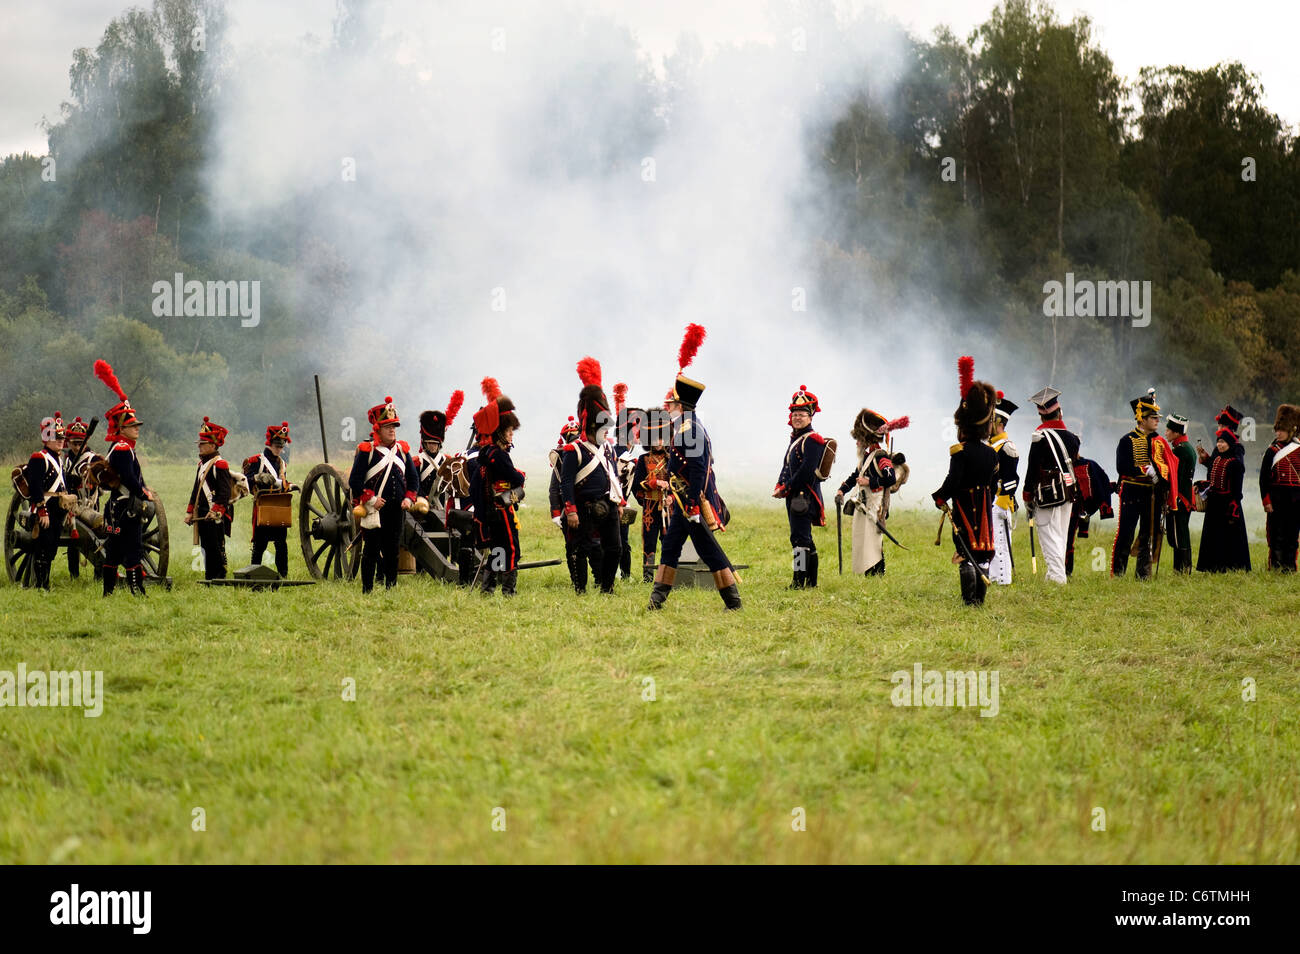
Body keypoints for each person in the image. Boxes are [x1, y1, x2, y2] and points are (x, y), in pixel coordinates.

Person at [648, 324, 742, 611]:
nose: (666, 406)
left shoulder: (691, 430)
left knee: (709, 551)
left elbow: (699, 469)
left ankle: (733, 601)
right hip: (681, 499)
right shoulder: (684, 427)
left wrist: (691, 505)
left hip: (691, 501)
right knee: (671, 547)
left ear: (680, 405)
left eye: (670, 402)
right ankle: (657, 599)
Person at [932, 356, 999, 606]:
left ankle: (969, 600)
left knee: (964, 550)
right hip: (983, 506)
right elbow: (993, 485)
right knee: (982, 552)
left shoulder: (959, 452)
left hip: (964, 505)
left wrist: (939, 496)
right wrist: (987, 498)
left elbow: (954, 480)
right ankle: (979, 600)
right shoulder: (992, 453)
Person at [560, 357, 624, 595]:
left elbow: (613, 475)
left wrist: (620, 502)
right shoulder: (573, 449)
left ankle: (607, 588)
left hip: (608, 504)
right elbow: (566, 483)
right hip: (583, 508)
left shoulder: (607, 448)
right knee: (580, 550)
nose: (606, 431)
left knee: (614, 548)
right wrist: (571, 509)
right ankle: (580, 589)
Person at [94, 359, 154, 596]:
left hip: (118, 508)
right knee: (132, 549)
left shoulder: (123, 447)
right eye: (132, 425)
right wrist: (142, 493)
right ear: (121, 428)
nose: (137, 428)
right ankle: (136, 591)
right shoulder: (121, 448)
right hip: (125, 507)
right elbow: (129, 477)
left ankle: (109, 593)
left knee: (115, 551)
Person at [348, 396, 419, 593]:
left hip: (396, 509)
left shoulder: (402, 451)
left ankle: (391, 587)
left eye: (394, 426)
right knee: (370, 551)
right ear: (377, 428)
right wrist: (371, 499)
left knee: (392, 551)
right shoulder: (367, 451)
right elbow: (355, 481)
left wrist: (408, 498)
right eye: (388, 426)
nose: (392, 429)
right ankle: (368, 589)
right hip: (374, 510)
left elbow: (413, 480)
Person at [834, 409, 909, 576]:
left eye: (859, 439)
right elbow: (855, 476)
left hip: (874, 507)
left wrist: (870, 482)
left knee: (873, 543)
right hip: (863, 506)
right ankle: (867, 574)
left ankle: (876, 573)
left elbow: (890, 479)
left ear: (866, 439)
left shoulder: (880, 457)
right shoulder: (868, 457)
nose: (857, 443)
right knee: (862, 541)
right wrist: (841, 490)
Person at [1111, 389, 1173, 580]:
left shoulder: (1159, 442)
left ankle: (1142, 574)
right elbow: (1123, 467)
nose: (1157, 421)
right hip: (1131, 491)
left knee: (1149, 533)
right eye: (1153, 417)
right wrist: (1144, 471)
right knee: (1126, 533)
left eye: (1157, 417)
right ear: (1142, 419)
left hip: (1152, 494)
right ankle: (1118, 572)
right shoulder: (1127, 440)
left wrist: (1160, 477)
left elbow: (1167, 465)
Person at [471, 377, 525, 595]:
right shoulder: (498, 455)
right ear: (500, 432)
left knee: (498, 550)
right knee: (511, 549)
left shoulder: (489, 454)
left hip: (495, 510)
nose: (512, 435)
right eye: (509, 431)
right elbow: (516, 478)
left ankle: (488, 587)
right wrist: (520, 476)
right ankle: (508, 590)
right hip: (501, 510)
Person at [1023, 385, 1081, 584]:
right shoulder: (1073, 439)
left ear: (1041, 417)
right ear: (1059, 411)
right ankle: (1053, 575)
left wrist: (1027, 495)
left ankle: (1057, 577)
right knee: (1061, 536)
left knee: (1049, 535)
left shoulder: (1039, 438)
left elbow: (1032, 470)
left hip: (1047, 493)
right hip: (1068, 491)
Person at [773, 385, 829, 589]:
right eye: (795, 414)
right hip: (795, 495)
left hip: (804, 496)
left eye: (802, 414)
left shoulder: (812, 439)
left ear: (810, 417)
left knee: (800, 541)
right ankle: (811, 582)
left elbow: (806, 471)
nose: (797, 417)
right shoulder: (797, 438)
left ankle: (799, 582)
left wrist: (785, 488)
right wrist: (781, 484)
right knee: (804, 539)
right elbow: (787, 465)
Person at [21, 412, 70, 590]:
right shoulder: (39, 457)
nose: (60, 441)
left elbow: (63, 485)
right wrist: (42, 511)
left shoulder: (59, 459)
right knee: (43, 548)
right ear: (46, 438)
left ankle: (45, 583)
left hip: (58, 509)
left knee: (51, 549)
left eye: (62, 437)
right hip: (46, 509)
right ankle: (41, 585)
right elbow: (34, 486)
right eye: (56, 437)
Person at [244, 422, 295, 577]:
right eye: (277, 446)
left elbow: (283, 481)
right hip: (263, 506)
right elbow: (244, 481)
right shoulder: (256, 461)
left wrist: (290, 485)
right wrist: (258, 477)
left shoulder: (282, 464)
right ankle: (253, 574)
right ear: (270, 443)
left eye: (281, 446)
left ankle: (283, 575)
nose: (279, 449)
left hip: (279, 506)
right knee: (260, 545)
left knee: (281, 544)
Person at [1197, 426, 1250, 572]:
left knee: (1228, 538)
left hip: (1228, 504)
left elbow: (1237, 490)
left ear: (1230, 444)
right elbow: (1213, 477)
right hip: (1214, 503)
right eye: (1218, 442)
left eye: (1223, 442)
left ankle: (1231, 566)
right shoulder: (1217, 459)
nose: (1220, 445)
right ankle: (1212, 566)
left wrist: (1234, 505)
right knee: (1213, 537)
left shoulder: (1235, 463)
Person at [186, 417, 233, 581]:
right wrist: (190, 512)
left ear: (213, 445)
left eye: (203, 443)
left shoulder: (220, 465)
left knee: (216, 547)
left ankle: (219, 577)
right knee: (206, 547)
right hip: (203, 513)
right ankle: (209, 577)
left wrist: (217, 511)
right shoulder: (201, 465)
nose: (199, 445)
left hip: (215, 514)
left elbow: (225, 492)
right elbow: (195, 491)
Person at [61, 415, 103, 580]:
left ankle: (98, 576)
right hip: (70, 506)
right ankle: (74, 576)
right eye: (74, 443)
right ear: (68, 442)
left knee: (97, 540)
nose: (77, 446)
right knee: (73, 542)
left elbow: (102, 473)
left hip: (90, 505)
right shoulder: (65, 458)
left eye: (80, 443)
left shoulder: (93, 458)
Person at [631, 414, 671, 582]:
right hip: (650, 506)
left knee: (669, 541)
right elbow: (637, 484)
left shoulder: (672, 459)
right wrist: (654, 484)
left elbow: (680, 482)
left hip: (669, 506)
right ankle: (648, 577)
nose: (659, 442)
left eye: (662, 438)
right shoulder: (643, 459)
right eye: (655, 438)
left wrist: (672, 497)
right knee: (649, 542)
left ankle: (667, 576)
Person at [1260, 404, 1300, 571]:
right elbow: (1263, 479)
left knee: (1292, 534)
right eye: (1277, 429)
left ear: (1291, 430)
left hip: (1296, 498)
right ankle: (1276, 565)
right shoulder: (1272, 451)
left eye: (1282, 430)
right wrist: (1266, 501)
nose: (1278, 433)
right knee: (1277, 534)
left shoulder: (1297, 449)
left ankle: (1289, 566)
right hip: (1277, 498)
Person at [987, 392, 1020, 585]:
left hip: (1000, 502)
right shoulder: (992, 446)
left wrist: (1001, 501)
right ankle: (995, 576)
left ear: (998, 423)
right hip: (992, 500)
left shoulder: (1007, 447)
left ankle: (1001, 579)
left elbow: (1011, 481)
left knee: (1000, 543)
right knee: (993, 542)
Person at [1163, 413, 1198, 574]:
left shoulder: (1180, 451)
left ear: (1177, 432)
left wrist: (1171, 499)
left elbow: (1175, 478)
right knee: (1180, 533)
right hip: (1184, 497)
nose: (1166, 432)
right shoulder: (1185, 448)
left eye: (1169, 430)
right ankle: (1181, 568)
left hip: (1179, 498)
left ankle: (1182, 569)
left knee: (1178, 535)